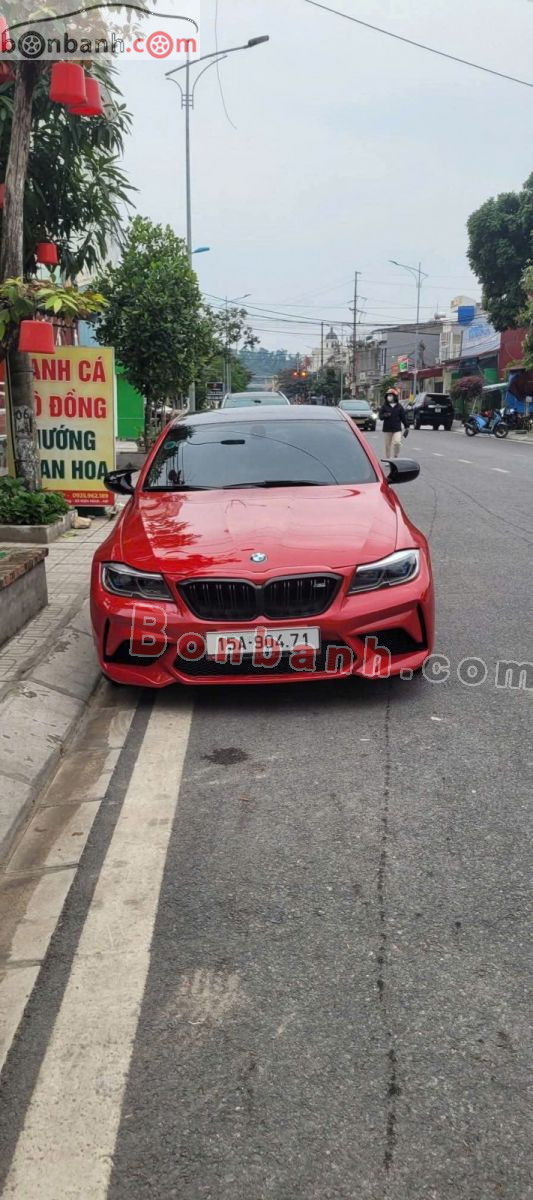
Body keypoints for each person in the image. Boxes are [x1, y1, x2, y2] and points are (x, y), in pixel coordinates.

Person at [379, 387, 409, 458]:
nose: (389, 397)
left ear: (395, 397)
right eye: (388, 395)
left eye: (391, 395)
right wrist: (385, 415)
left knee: (397, 443)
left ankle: (395, 456)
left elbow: (403, 417)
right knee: (387, 445)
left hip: (397, 429)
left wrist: (406, 427)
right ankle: (388, 459)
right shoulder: (384, 406)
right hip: (387, 429)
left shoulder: (399, 407)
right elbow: (380, 416)